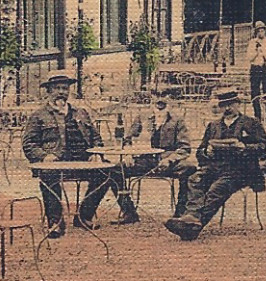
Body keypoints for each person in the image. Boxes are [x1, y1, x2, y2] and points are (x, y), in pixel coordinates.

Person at [21, 71, 119, 237]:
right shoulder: (39, 116)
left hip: (82, 161)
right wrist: (44, 156)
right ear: (49, 91)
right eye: (57, 88)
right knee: (48, 176)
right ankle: (56, 222)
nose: (61, 92)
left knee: (107, 171)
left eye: (65, 89)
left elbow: (96, 138)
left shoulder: (80, 112)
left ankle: (84, 216)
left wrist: (96, 153)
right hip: (55, 163)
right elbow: (28, 144)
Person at [165, 88, 266, 241]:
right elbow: (200, 151)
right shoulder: (213, 126)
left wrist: (244, 147)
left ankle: (194, 225)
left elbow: (264, 147)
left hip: (240, 170)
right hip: (214, 167)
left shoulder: (251, 123)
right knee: (194, 179)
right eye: (223, 105)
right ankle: (191, 218)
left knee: (216, 189)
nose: (227, 108)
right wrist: (207, 152)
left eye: (231, 104)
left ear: (238, 104)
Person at [115, 93, 195, 221]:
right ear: (151, 97)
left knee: (189, 168)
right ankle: (128, 211)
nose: (160, 99)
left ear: (169, 99)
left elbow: (185, 148)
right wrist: (128, 153)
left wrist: (170, 159)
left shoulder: (177, 120)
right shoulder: (142, 117)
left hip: (167, 161)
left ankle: (180, 214)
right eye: (156, 95)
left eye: (164, 96)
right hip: (144, 160)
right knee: (115, 170)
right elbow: (127, 139)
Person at [246, 21, 266, 122]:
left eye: (262, 31)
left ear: (265, 32)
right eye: (259, 31)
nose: (261, 33)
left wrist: (263, 51)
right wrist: (256, 52)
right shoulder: (252, 43)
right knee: (255, 93)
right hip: (255, 69)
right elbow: (249, 58)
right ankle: (257, 116)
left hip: (265, 69)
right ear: (256, 32)